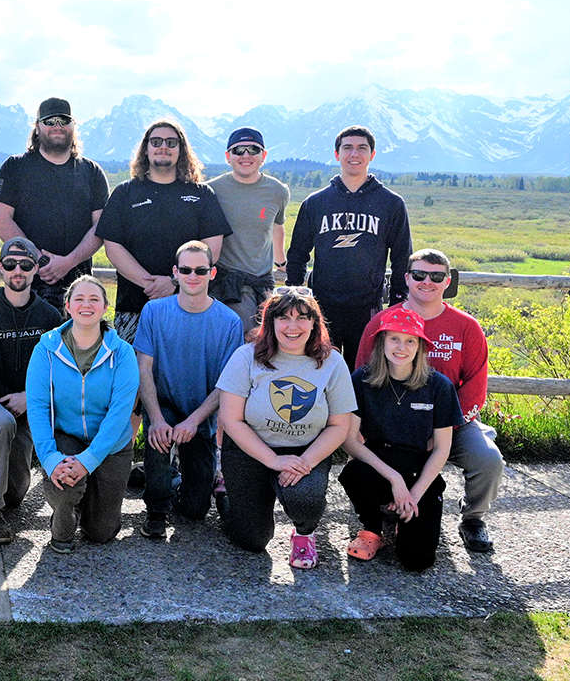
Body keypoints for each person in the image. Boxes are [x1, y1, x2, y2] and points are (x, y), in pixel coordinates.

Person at [355, 248, 503, 553]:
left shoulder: (466, 327)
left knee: (488, 459)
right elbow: (363, 376)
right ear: (407, 278)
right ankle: (382, 506)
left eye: (436, 276)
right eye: (419, 274)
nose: (427, 282)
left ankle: (473, 519)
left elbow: (475, 387)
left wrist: (442, 432)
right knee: (362, 462)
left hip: (451, 424)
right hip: (390, 426)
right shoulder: (382, 323)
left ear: (447, 281)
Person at [214, 287, 354, 569]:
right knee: (253, 540)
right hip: (249, 449)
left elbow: (340, 425)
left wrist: (306, 462)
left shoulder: (332, 362)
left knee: (304, 498)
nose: (293, 326)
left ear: (315, 322)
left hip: (305, 450)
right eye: (283, 318)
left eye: (303, 318)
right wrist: (273, 460)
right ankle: (223, 492)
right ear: (270, 322)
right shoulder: (246, 356)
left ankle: (304, 535)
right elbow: (230, 420)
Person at [340, 308, 463, 571]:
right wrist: (394, 479)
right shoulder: (362, 379)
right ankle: (372, 529)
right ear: (382, 341)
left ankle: (402, 516)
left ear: (420, 346)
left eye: (410, 340)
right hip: (377, 462)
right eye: (394, 338)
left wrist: (414, 494)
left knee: (417, 560)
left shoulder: (438, 386)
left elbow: (442, 449)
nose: (401, 347)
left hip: (419, 467)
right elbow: (349, 441)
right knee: (353, 473)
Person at [134, 241, 243, 538]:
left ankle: (170, 479)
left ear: (212, 273)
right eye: (185, 269)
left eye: (200, 270)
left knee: (195, 510)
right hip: (164, 403)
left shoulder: (230, 322)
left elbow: (226, 384)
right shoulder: (154, 311)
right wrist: (154, 418)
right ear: (175, 273)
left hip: (202, 412)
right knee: (159, 438)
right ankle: (156, 508)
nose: (192, 275)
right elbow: (143, 368)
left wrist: (195, 420)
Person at [26, 275, 138, 554]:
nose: (86, 305)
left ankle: (89, 502)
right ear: (67, 305)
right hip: (67, 436)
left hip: (112, 445)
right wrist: (50, 459)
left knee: (101, 532)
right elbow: (38, 406)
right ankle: (63, 520)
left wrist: (88, 461)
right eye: (79, 299)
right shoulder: (46, 348)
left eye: (93, 299)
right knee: (64, 477)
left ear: (104, 308)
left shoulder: (123, 353)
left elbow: (119, 415)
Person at [285, 125, 411, 362]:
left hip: (367, 307)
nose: (355, 154)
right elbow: (298, 253)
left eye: (362, 148)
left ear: (372, 155)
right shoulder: (316, 203)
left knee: (363, 376)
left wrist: (397, 303)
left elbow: (402, 257)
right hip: (322, 307)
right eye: (348, 148)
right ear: (337, 154)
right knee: (319, 370)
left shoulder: (391, 203)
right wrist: (294, 298)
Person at [0, 237, 63, 543]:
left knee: (15, 494)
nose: (17, 270)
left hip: (28, 404)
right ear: (1, 269)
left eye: (25, 264)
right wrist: (14, 403)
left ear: (35, 268)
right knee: (1, 423)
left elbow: (55, 371)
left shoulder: (50, 317)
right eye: (10, 264)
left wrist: (29, 400)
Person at [97, 119, 229, 342]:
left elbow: (211, 250)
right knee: (135, 373)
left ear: (181, 150)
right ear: (146, 149)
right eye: (156, 141)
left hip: (190, 305)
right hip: (134, 306)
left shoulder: (202, 194)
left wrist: (174, 281)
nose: (163, 147)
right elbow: (112, 247)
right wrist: (151, 285)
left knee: (183, 371)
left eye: (171, 142)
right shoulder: (125, 193)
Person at [0, 97, 109, 311]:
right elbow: (0, 220)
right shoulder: (14, 167)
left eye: (63, 120)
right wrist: (38, 259)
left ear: (73, 126)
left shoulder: (92, 172)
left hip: (78, 289)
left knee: (76, 344)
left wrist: (68, 262)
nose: (57, 126)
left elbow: (101, 227)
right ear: (37, 128)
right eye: (49, 121)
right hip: (26, 283)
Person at [209, 126, 290, 337]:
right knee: (244, 341)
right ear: (228, 157)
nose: (246, 155)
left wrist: (281, 263)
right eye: (238, 150)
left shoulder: (278, 191)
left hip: (264, 283)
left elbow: (276, 227)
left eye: (253, 150)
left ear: (263, 156)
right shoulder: (211, 191)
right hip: (228, 285)